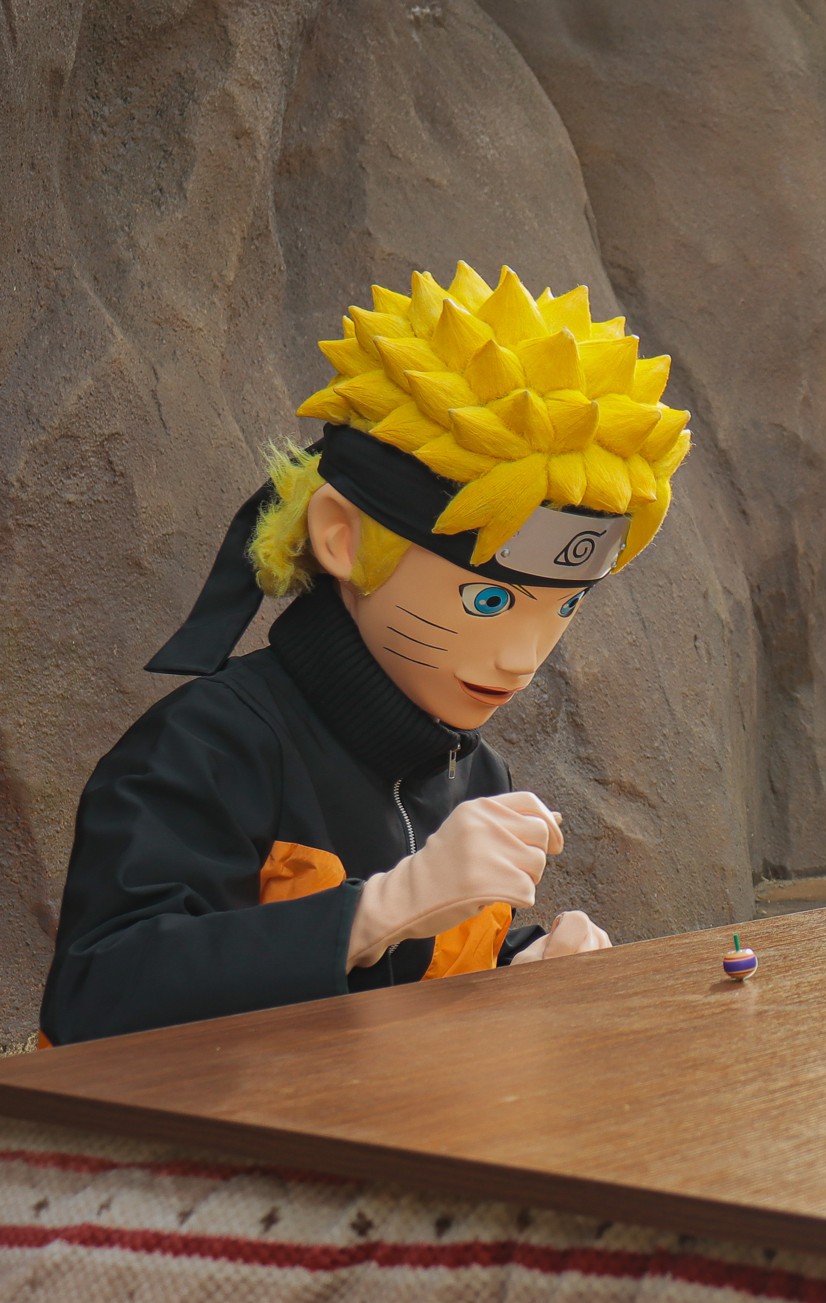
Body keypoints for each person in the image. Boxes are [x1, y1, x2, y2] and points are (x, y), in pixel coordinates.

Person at [41, 263, 692, 1044]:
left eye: (566, 605)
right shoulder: (206, 747)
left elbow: (413, 978)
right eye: (486, 600)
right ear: (340, 538)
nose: (523, 659)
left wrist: (524, 963)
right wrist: (382, 908)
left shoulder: (474, 773)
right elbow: (96, 994)